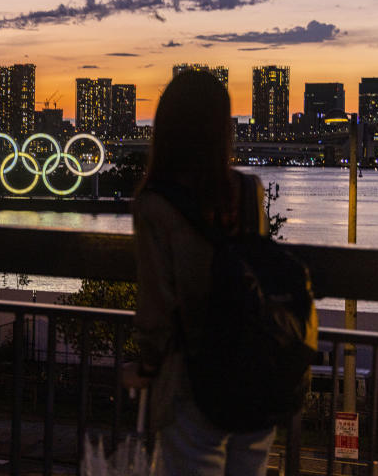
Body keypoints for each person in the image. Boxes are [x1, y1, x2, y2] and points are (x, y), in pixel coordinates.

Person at [124, 69, 275, 476]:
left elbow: (157, 306)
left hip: (194, 383)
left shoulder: (155, 205)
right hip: (255, 381)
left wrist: (146, 368)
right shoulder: (249, 192)